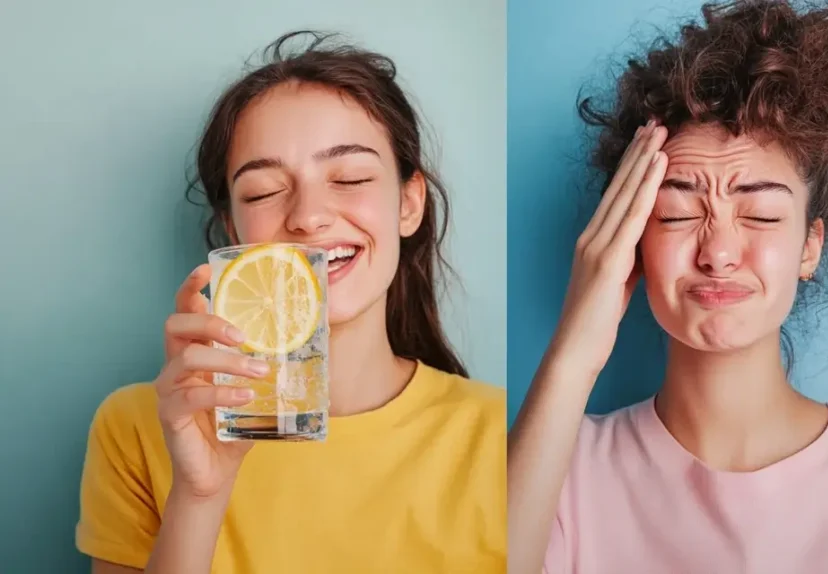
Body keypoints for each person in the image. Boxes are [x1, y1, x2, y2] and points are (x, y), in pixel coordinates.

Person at [507, 1, 828, 573]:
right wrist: (572, 354)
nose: (719, 254)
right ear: (629, 242)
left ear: (810, 245)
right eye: (679, 213)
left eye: (759, 215)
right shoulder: (551, 466)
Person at [76, 31, 506, 574]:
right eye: (262, 192)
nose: (308, 216)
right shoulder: (136, 428)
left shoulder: (505, 437)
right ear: (232, 228)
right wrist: (200, 495)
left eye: (350, 177)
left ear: (409, 203)